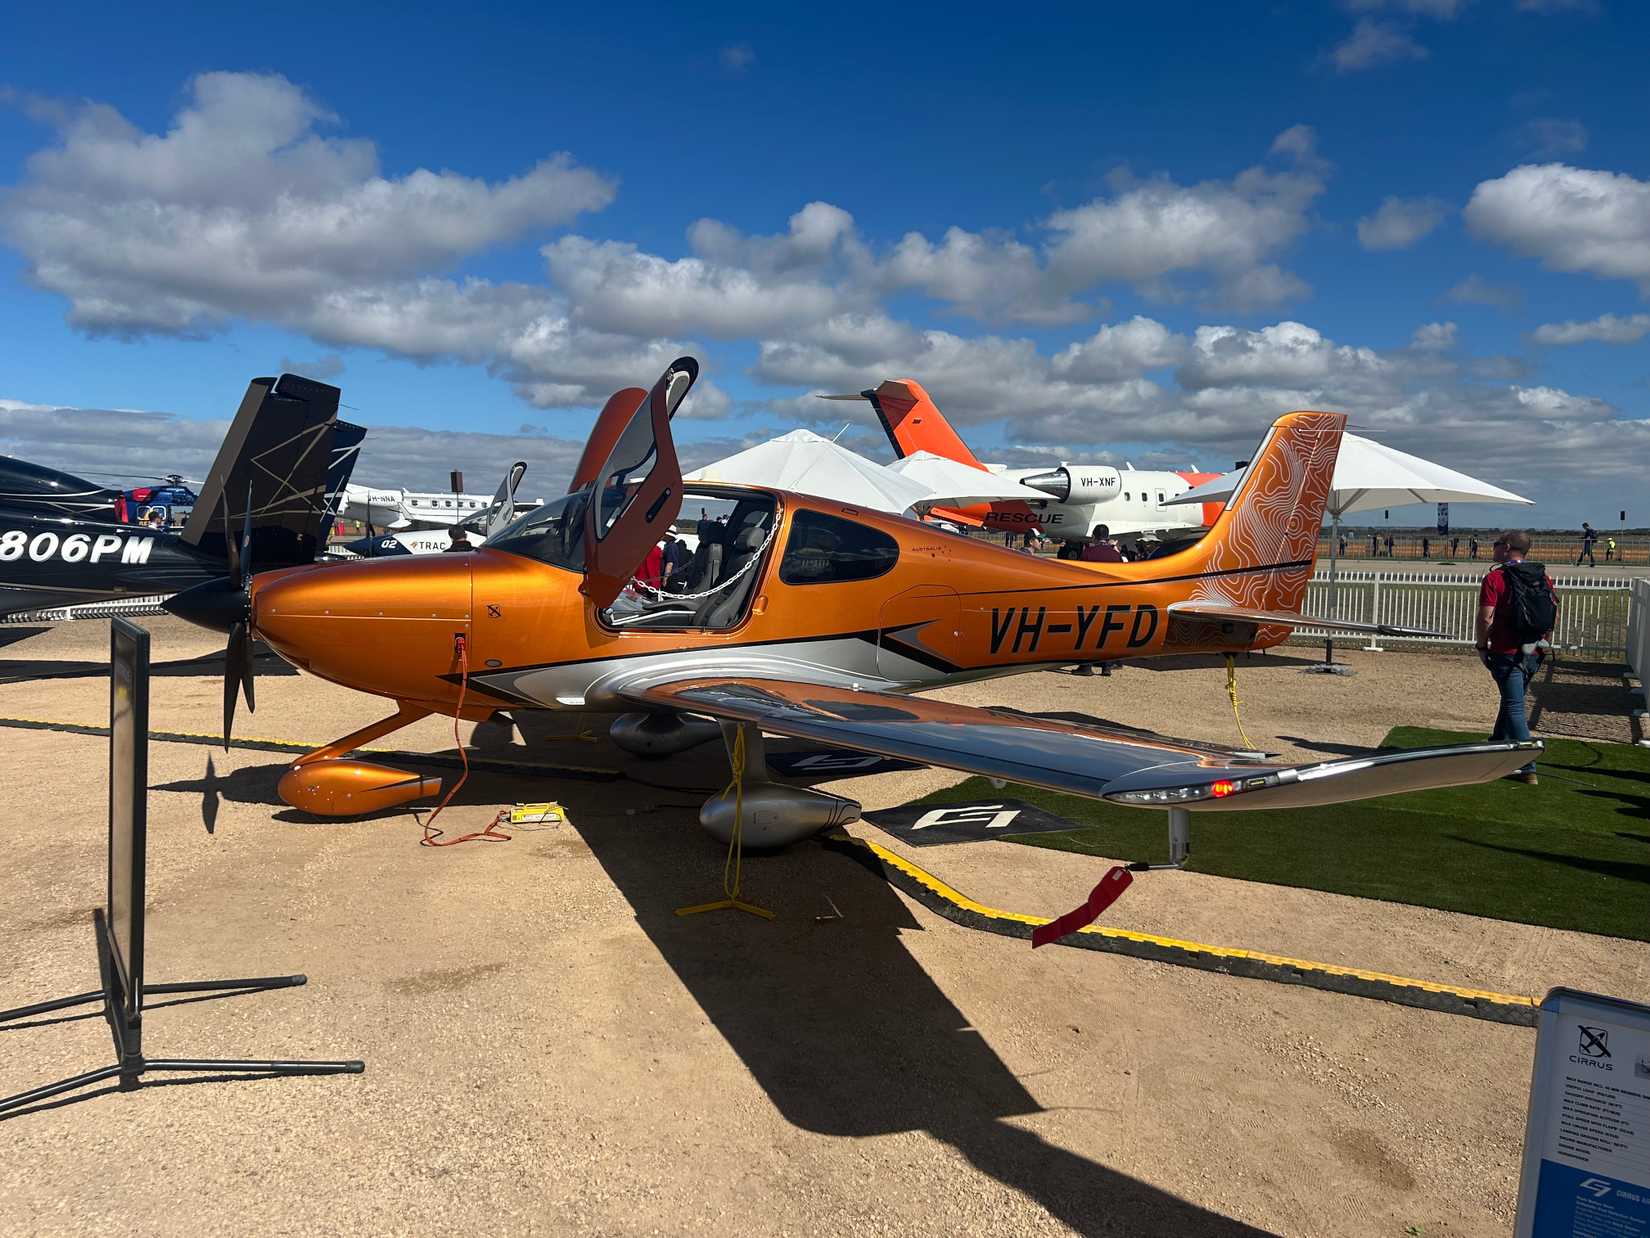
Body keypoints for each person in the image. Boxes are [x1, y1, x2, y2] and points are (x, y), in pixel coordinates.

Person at [1475, 530, 1556, 786]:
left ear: (1507, 547)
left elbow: (1485, 618)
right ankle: (1497, 743)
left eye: (1497, 544)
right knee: (1513, 698)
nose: (1494, 548)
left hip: (1506, 651)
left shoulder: (1495, 578)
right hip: (1534, 650)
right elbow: (1552, 612)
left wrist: (1482, 646)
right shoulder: (1542, 577)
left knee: (1514, 706)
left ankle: (1526, 766)